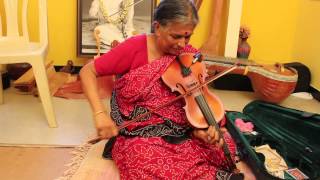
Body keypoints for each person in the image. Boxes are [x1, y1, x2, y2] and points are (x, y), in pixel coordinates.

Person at [80, 0, 255, 179]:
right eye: (175, 36)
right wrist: (99, 114)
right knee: (141, 159)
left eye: (187, 37)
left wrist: (200, 131)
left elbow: (196, 102)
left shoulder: (188, 55)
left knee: (223, 145)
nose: (182, 44)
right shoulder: (134, 47)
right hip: (142, 133)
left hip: (181, 130)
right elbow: (88, 71)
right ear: (157, 27)